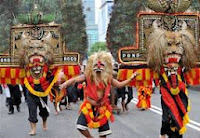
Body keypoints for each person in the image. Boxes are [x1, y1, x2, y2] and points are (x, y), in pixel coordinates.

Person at [60, 51, 139, 138]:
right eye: (96, 65)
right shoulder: (88, 76)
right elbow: (74, 80)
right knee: (80, 126)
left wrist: (131, 79)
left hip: (102, 108)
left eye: (101, 65)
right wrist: (64, 84)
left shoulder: (108, 78)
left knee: (103, 134)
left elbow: (120, 85)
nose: (98, 67)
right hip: (89, 106)